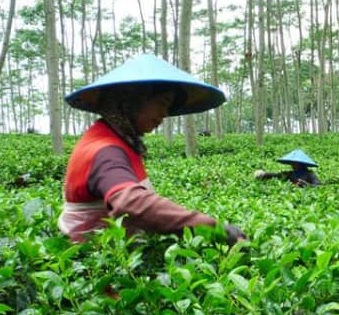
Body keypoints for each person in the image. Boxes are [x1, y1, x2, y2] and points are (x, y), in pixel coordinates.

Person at [58, 53, 246, 245]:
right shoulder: (104, 150)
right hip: (96, 264)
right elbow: (129, 204)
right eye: (162, 103)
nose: (165, 114)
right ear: (132, 100)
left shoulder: (118, 141)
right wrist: (214, 229)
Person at [255, 149, 320, 187]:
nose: (292, 165)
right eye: (292, 163)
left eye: (295, 163)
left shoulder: (310, 174)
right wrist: (263, 174)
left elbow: (318, 185)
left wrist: (307, 185)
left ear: (302, 164)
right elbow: (277, 175)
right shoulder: (290, 174)